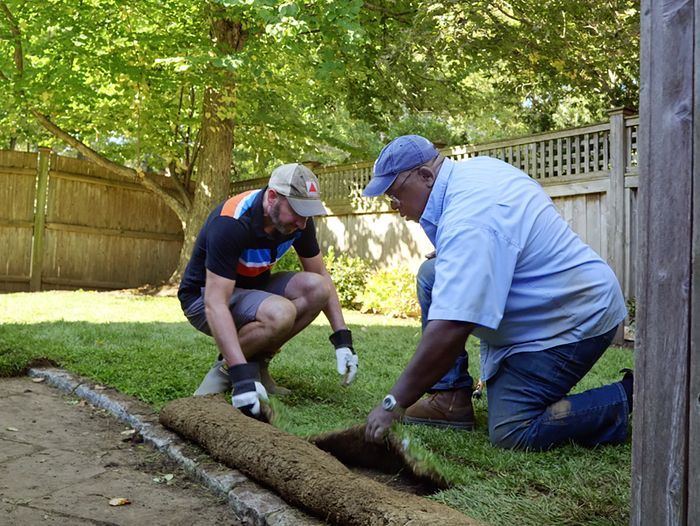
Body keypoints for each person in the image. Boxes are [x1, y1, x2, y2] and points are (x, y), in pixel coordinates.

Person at [362, 135, 632, 451]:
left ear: (425, 176)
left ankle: (628, 394)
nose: (398, 210)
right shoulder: (472, 175)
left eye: (396, 196)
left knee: (512, 431)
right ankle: (450, 399)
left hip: (574, 318)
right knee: (432, 276)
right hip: (544, 304)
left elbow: (451, 326)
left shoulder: (471, 216)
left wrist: (393, 404)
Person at [178, 163, 358, 419]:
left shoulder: (299, 223)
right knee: (280, 312)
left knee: (317, 288)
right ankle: (228, 371)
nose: (302, 221)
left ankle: (258, 366)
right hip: (203, 298)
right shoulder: (231, 222)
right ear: (272, 197)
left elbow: (320, 276)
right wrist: (241, 378)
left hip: (252, 287)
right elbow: (215, 303)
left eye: (307, 213)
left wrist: (343, 339)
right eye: (296, 211)